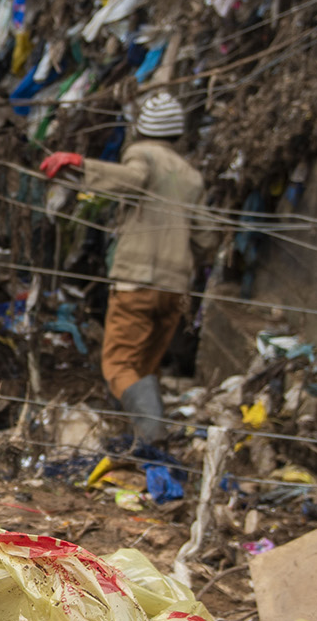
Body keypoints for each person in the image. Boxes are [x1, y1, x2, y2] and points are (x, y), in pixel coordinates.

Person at [40, 91, 217, 448]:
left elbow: (133, 179)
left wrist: (81, 166)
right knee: (144, 367)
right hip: (174, 289)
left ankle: (152, 435)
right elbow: (207, 238)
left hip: (136, 283)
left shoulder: (142, 154)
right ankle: (143, 440)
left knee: (119, 366)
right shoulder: (191, 176)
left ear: (142, 129)